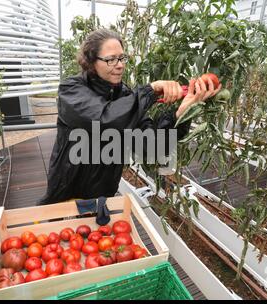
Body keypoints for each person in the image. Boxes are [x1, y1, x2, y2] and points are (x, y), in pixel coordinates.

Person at [37, 28, 220, 205]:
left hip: (103, 196)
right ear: (91, 61)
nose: (120, 65)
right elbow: (104, 119)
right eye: (110, 60)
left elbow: (153, 148)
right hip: (66, 193)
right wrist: (150, 90)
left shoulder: (127, 98)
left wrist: (181, 112)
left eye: (122, 58)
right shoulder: (72, 90)